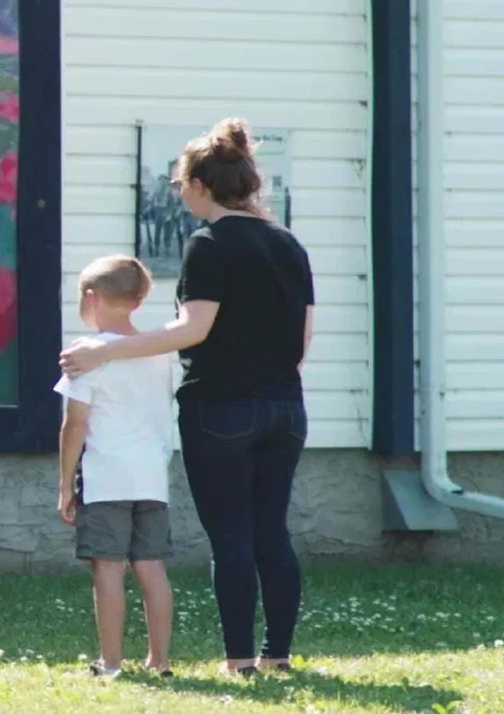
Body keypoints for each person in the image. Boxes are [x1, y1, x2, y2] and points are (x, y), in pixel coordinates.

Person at [59, 118, 315, 679]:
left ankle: (240, 659)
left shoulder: (208, 244)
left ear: (201, 185)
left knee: (232, 536)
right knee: (272, 531)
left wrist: (106, 352)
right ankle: (277, 653)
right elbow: (303, 339)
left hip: (221, 407)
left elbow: (193, 329)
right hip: (285, 406)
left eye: (180, 185)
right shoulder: (288, 243)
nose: (178, 194)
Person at [53, 254, 176, 679]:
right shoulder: (156, 354)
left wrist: (65, 484)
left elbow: (75, 424)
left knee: (108, 567)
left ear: (92, 297)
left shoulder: (85, 355)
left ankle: (110, 661)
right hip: (151, 476)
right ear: (138, 301)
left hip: (106, 477)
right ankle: (160, 660)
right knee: (151, 566)